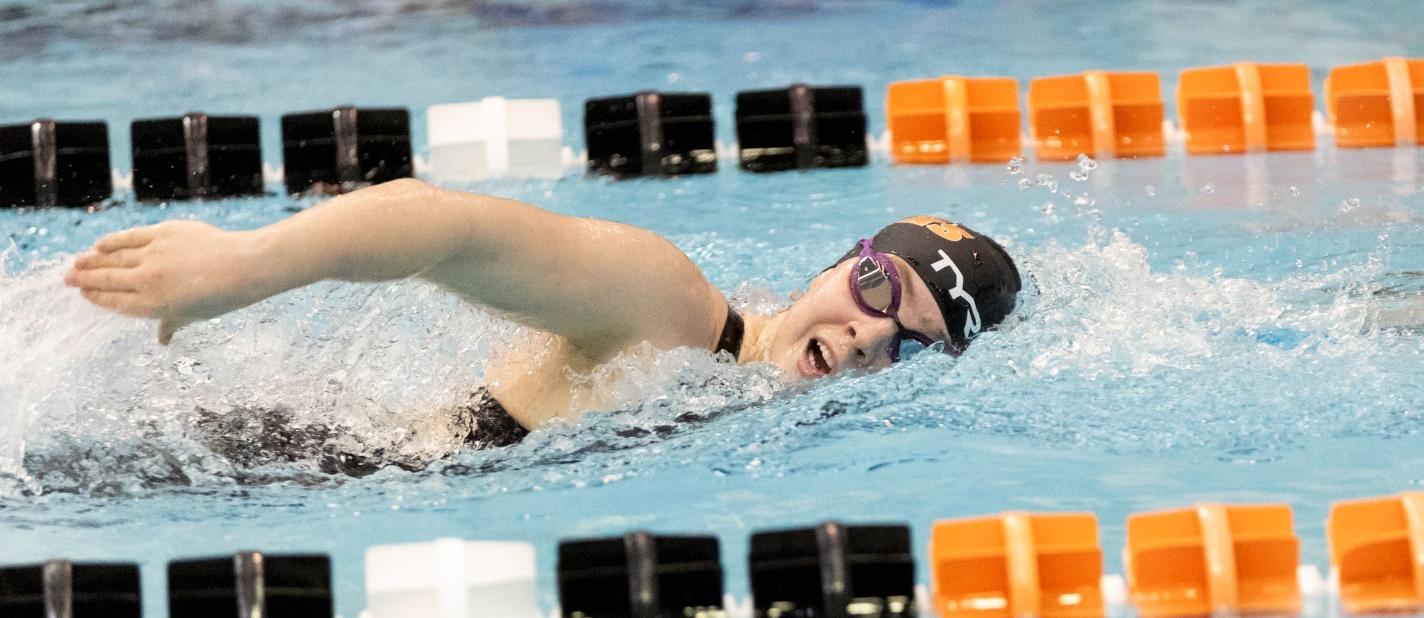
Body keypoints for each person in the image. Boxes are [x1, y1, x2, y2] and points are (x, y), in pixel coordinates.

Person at [61, 180, 1023, 451]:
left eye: (909, 347)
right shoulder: (672, 306)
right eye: (877, 291)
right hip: (287, 467)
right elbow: (449, 225)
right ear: (836, 265)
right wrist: (242, 263)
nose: (868, 336)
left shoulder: (753, 404)